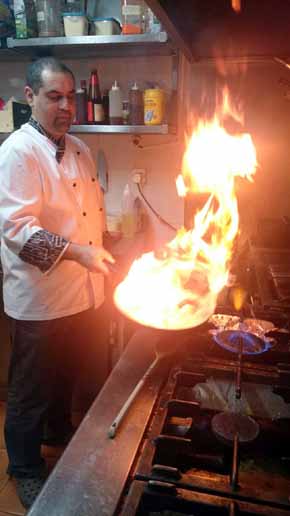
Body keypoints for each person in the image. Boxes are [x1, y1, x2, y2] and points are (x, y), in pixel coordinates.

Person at [0, 57, 115, 509]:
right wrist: (81, 254)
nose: (66, 106)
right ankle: (24, 468)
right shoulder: (17, 153)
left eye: (71, 96)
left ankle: (57, 435)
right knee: (29, 390)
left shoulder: (80, 149)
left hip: (83, 296)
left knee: (65, 378)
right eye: (54, 96)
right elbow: (17, 230)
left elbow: (87, 218)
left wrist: (99, 251)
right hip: (41, 298)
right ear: (29, 98)